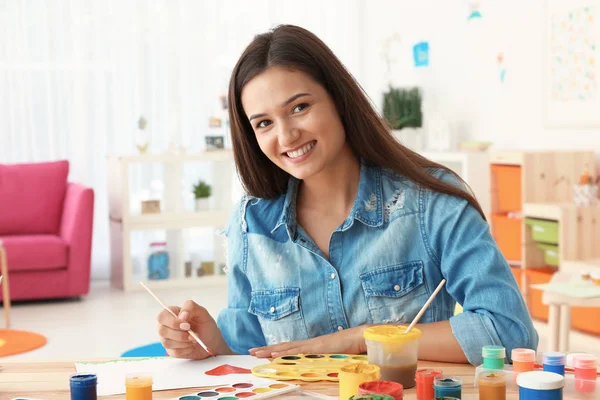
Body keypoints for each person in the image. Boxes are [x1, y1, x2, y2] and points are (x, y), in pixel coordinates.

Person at [157, 24, 538, 365]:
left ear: (338, 99)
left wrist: (359, 340)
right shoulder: (251, 223)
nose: (287, 136)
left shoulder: (432, 203)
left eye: (300, 107)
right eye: (264, 123)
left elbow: (508, 329)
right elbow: (252, 351)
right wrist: (209, 342)